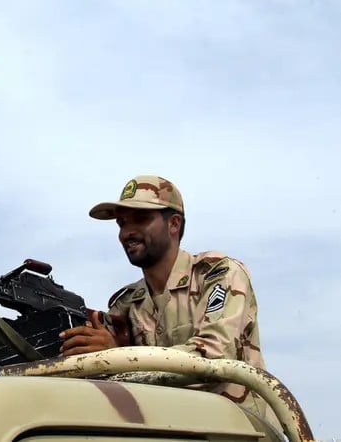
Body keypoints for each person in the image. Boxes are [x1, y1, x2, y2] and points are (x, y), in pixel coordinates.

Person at [59, 174, 278, 428]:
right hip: (170, 429)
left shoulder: (218, 275)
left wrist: (117, 356)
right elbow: (96, 362)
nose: (127, 232)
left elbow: (214, 358)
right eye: (121, 223)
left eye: (141, 219)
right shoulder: (128, 303)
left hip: (238, 430)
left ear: (173, 224)